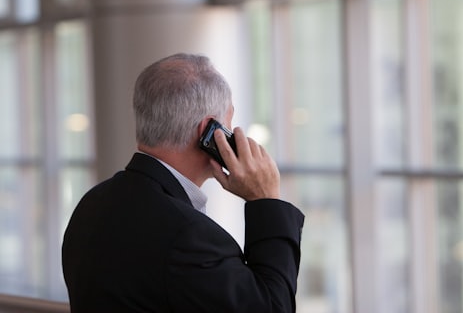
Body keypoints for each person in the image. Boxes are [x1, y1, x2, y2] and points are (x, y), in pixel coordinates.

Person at [62, 53, 305, 313]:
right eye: (229, 121)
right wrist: (265, 201)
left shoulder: (92, 203)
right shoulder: (188, 237)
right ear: (209, 132)